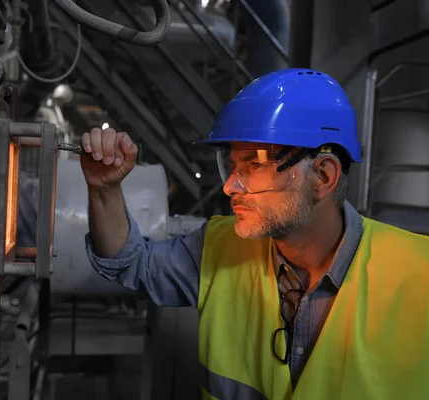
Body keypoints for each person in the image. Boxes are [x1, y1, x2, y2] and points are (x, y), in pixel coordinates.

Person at [78, 68, 429, 400]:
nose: (231, 186)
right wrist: (103, 190)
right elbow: (132, 263)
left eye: (255, 165)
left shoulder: (419, 276)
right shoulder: (218, 246)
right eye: (232, 166)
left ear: (323, 176)